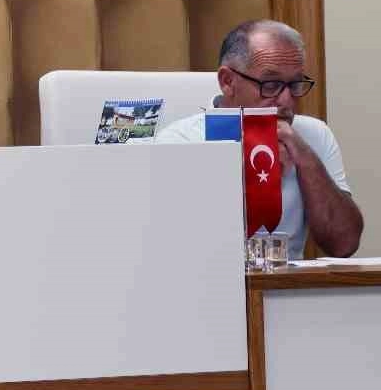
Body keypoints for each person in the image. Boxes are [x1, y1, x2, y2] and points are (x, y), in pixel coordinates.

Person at [155, 19, 363, 258]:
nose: (286, 100)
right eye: (271, 84)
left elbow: (344, 245)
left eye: (295, 84)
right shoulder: (180, 140)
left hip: (288, 280)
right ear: (227, 81)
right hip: (209, 279)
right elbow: (176, 245)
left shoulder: (314, 134)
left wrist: (304, 157)